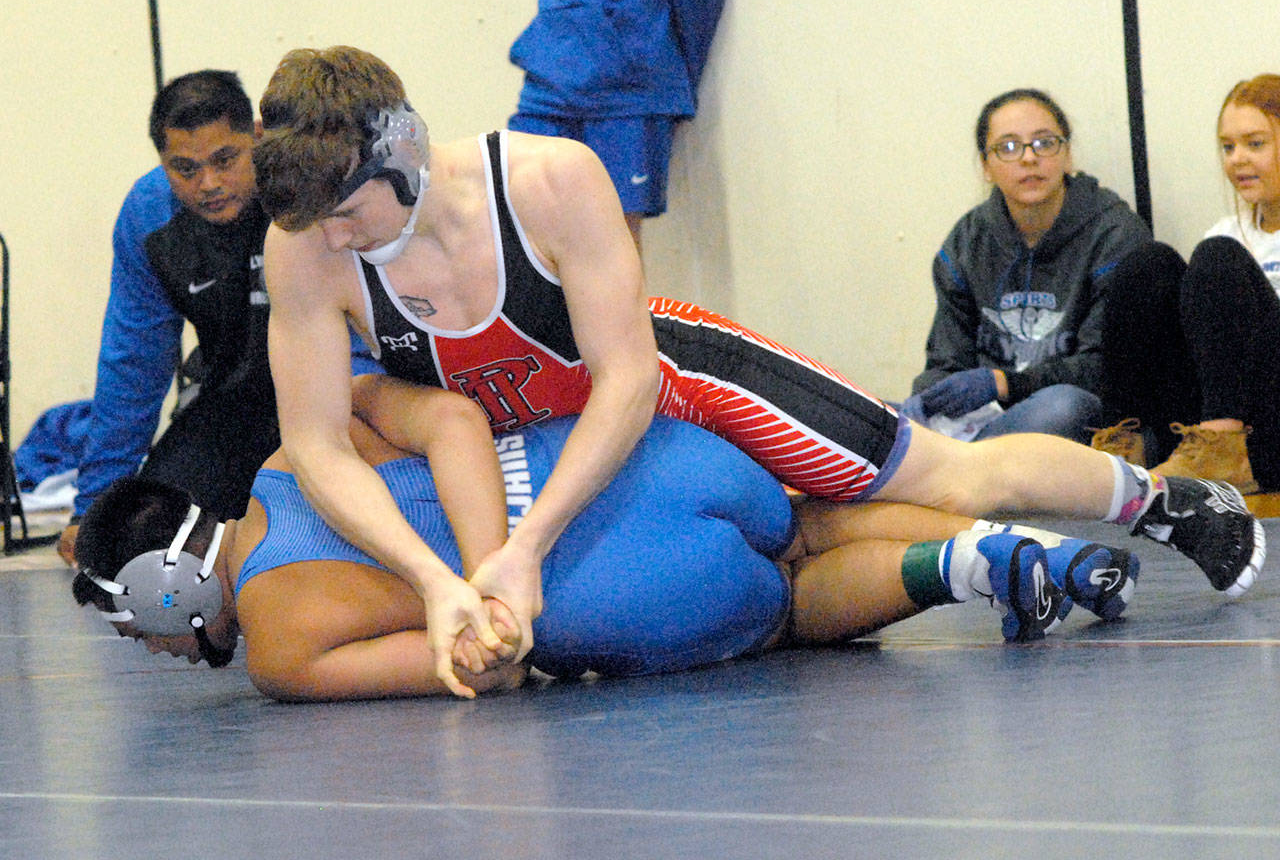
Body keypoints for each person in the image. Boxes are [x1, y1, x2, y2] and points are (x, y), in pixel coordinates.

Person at [250, 46, 1263, 685]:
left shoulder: (548, 180)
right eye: (314, 224)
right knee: (788, 558)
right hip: (546, 429)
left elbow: (627, 377)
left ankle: (1164, 502)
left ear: (405, 157)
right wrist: (436, 579)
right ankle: (985, 562)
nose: (333, 242)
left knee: (940, 469)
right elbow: (315, 442)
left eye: (347, 214)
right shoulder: (303, 245)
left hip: (669, 374)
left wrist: (529, 543)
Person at [71, 379, 1145, 701]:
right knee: (807, 517)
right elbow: (450, 418)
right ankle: (1022, 547)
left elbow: (486, 663)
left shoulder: (278, 643)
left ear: (166, 583)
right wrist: (508, 537)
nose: (152, 641)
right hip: (628, 457)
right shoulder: (293, 449)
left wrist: (498, 590)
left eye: (138, 622)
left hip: (618, 586)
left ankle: (967, 569)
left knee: (784, 609)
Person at [58, 70, 276, 568]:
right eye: (186, 169)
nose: (210, 184)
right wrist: (93, 504)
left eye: (226, 159)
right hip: (231, 401)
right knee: (142, 544)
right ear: (162, 163)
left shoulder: (301, 189)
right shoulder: (148, 216)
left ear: (257, 136)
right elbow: (133, 366)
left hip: (337, 399)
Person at [901, 88, 1152, 444]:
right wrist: (926, 400)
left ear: (1067, 156)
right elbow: (946, 361)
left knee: (1064, 407)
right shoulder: (967, 241)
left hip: (1072, 417)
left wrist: (1005, 384)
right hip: (987, 423)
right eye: (1008, 147)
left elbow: (1106, 369)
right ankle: (965, 462)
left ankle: (959, 464)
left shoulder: (1115, 233)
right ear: (986, 167)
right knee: (881, 414)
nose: (1029, 159)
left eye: (1045, 143)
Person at [1093, 74, 1280, 496]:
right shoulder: (1229, 231)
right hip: (1221, 413)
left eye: (1255, 144)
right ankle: (1124, 450)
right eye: (1227, 147)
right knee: (1148, 263)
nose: (1237, 159)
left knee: (1217, 256)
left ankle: (1224, 448)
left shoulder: (1223, 252)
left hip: (1273, 425)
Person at [507, 0, 726, 252]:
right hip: (548, 88)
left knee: (615, 241)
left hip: (626, 98)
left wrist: (670, 80)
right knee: (528, 232)